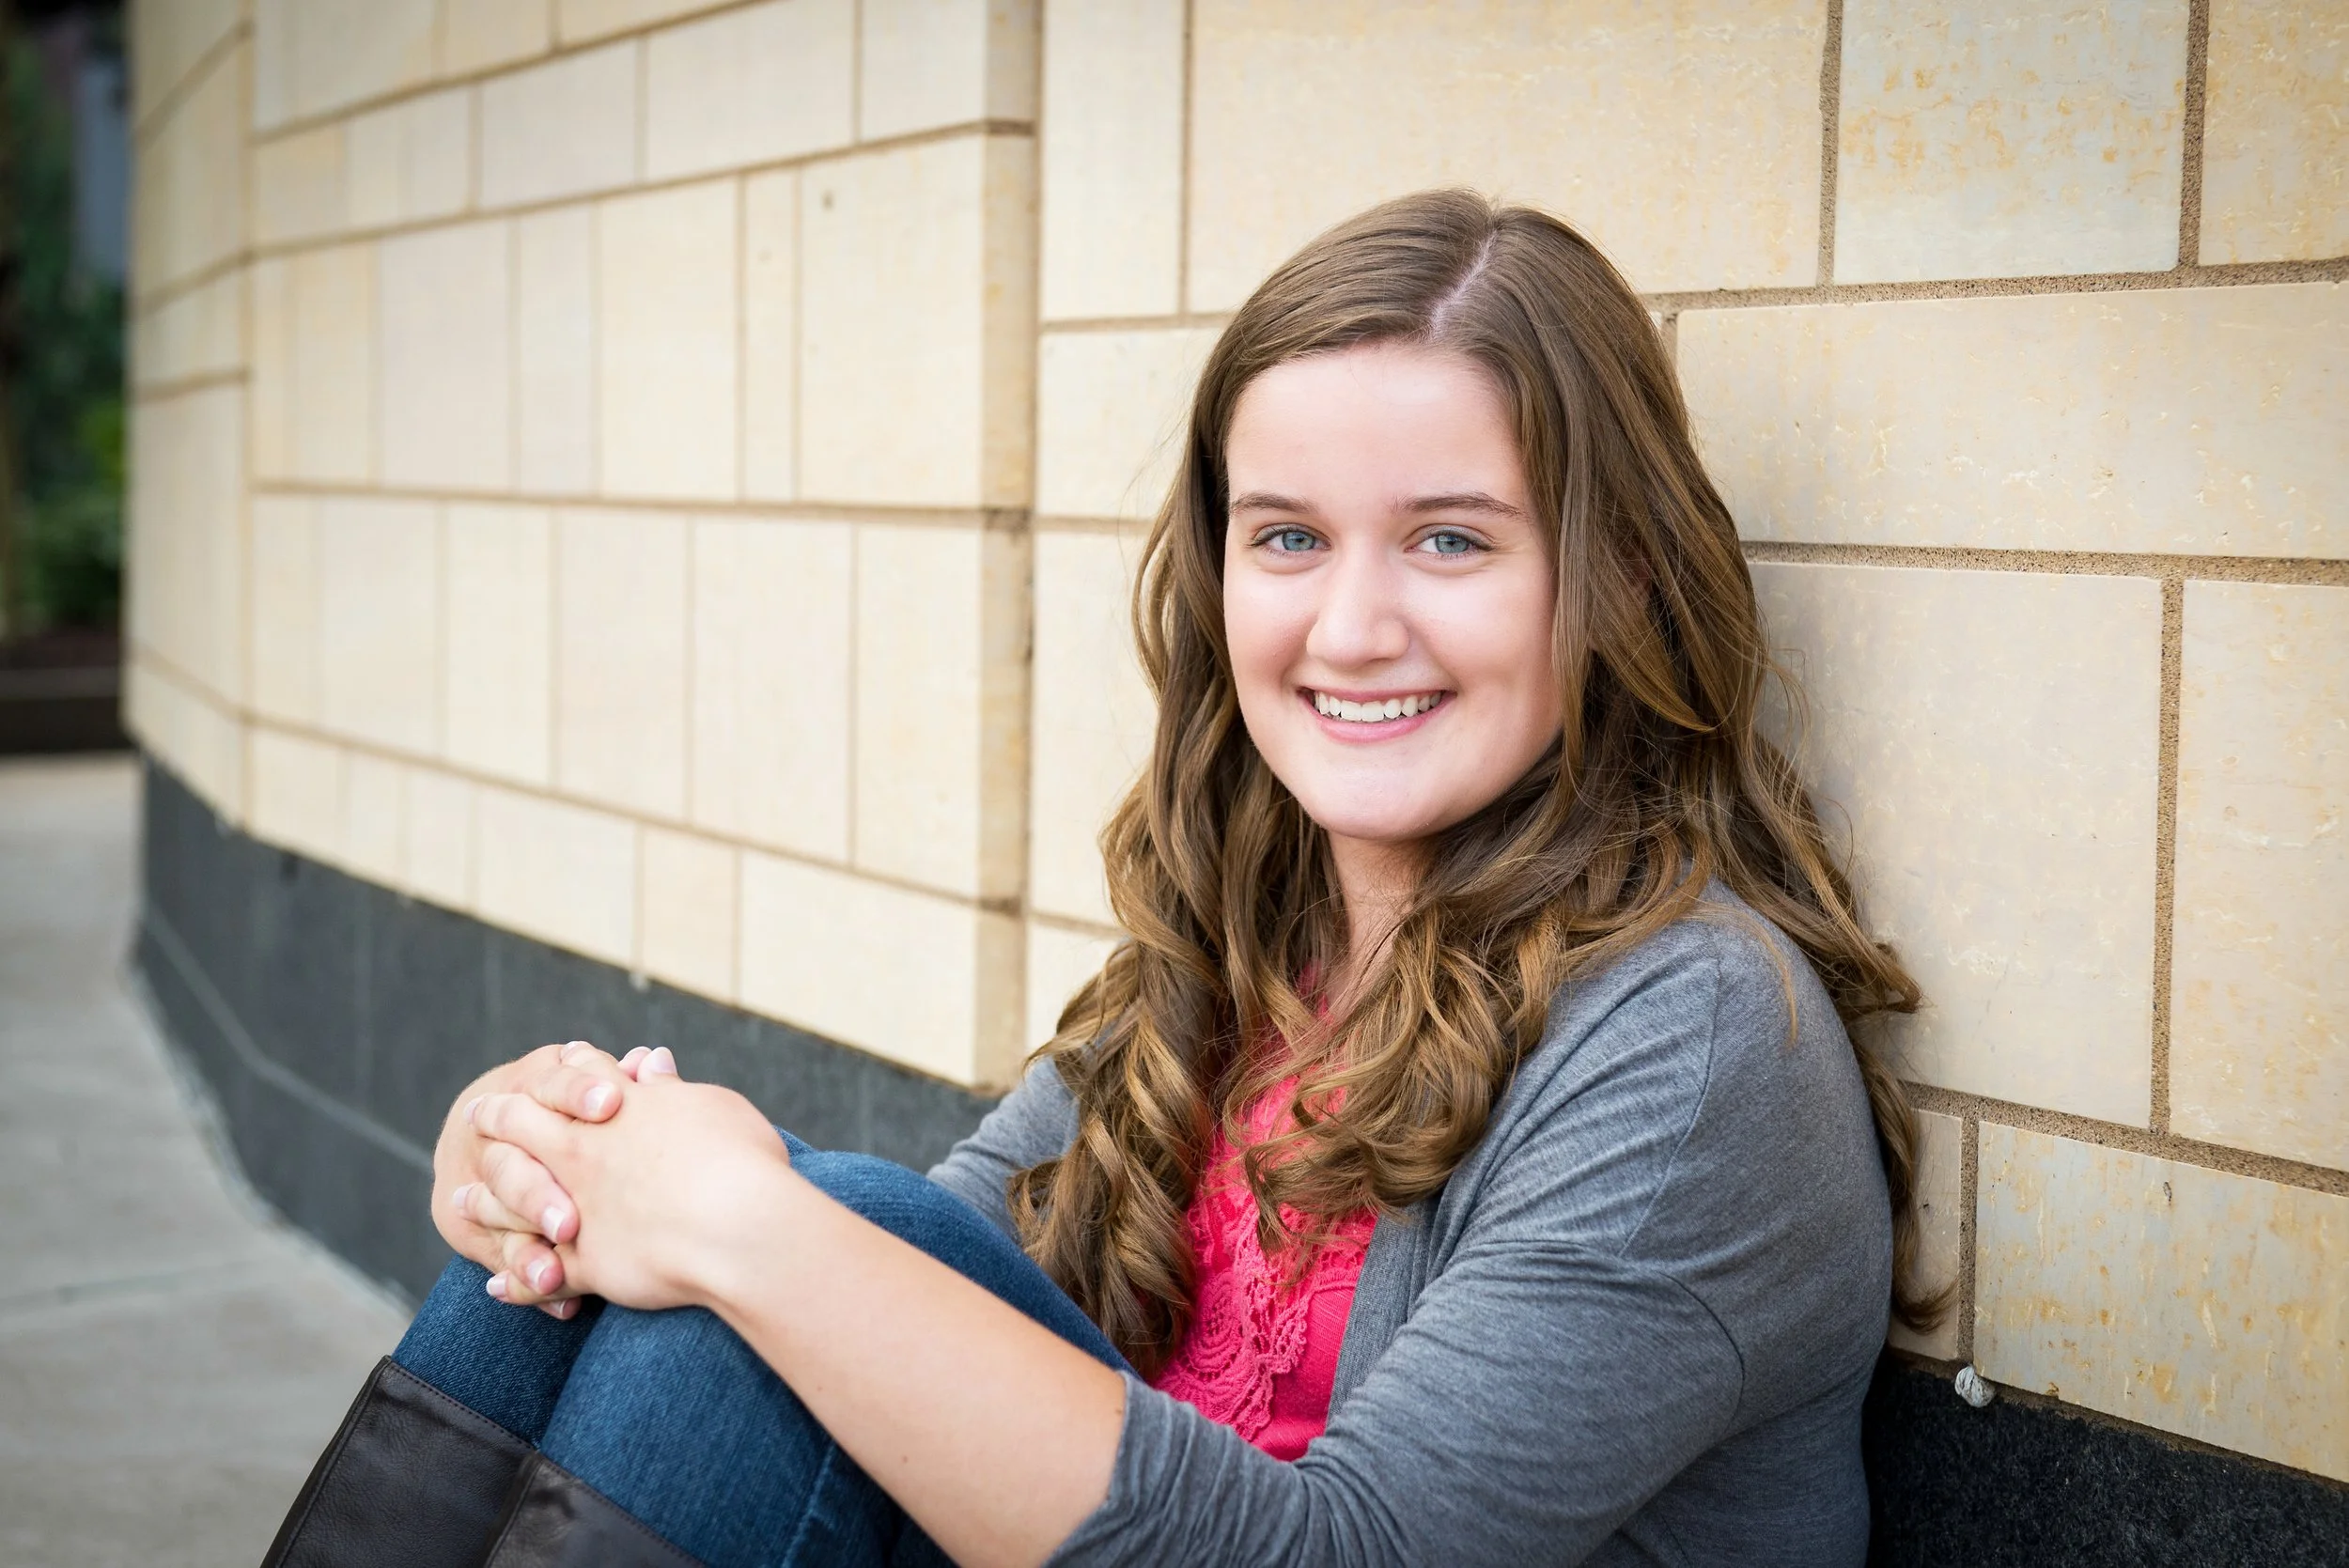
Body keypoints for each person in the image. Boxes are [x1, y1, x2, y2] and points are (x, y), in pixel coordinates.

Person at [263, 188, 1937, 1568]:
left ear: (1619, 573)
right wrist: (564, 1179)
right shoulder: (1246, 953)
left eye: (1450, 538)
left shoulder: (1698, 1030)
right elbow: (911, 1292)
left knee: (785, 1251)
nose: (1350, 627)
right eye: (1287, 536)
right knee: (680, 1265)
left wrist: (747, 1225)